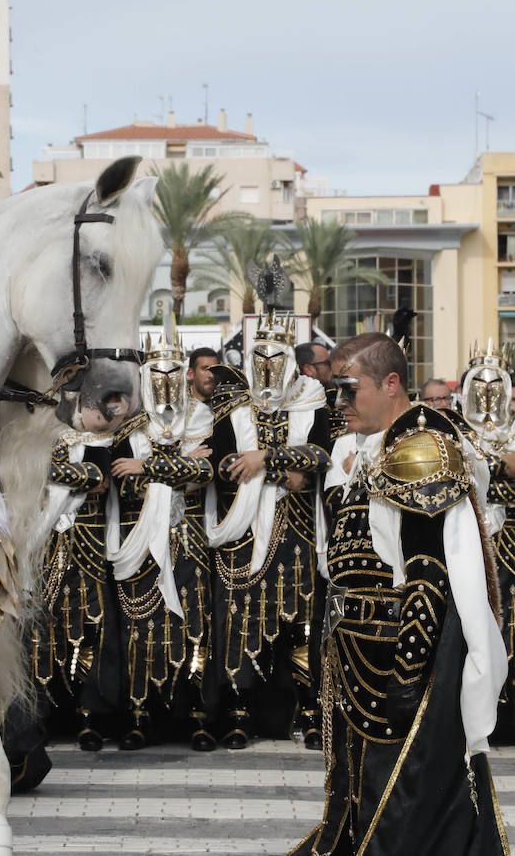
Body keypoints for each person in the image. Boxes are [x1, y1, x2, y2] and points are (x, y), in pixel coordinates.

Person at [291, 333, 509, 855]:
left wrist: (407, 673)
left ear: (391, 384)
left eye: (350, 390)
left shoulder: (420, 445)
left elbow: (429, 569)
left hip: (396, 655)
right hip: (358, 649)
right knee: (360, 796)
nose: (339, 404)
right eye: (335, 391)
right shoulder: (379, 442)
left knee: (406, 802)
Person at [206, 311, 331, 749]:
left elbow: (321, 456)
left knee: (302, 624)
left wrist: (263, 461)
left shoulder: (313, 398)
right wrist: (280, 466)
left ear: (290, 362)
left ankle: (311, 712)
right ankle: (240, 714)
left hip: (297, 531)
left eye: (275, 357)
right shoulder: (231, 404)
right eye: (258, 357)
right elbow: (221, 465)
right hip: (242, 531)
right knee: (240, 620)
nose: (266, 366)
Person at [107, 331, 216, 750]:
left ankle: (197, 716)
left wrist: (147, 466)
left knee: (194, 625)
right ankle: (138, 715)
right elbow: (124, 481)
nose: (165, 382)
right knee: (141, 627)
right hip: (140, 542)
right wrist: (181, 465)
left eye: (174, 373)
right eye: (158, 373)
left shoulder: (202, 418)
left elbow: (205, 475)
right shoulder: (129, 424)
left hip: (189, 540)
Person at [457, 341, 515, 755]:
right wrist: (502, 468)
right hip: (467, 539)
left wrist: (485, 476)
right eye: (480, 384)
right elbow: (459, 480)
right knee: (468, 629)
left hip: (513, 542)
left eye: (497, 385)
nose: (489, 393)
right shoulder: (453, 427)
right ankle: (468, 719)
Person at [32, 428, 123, 751]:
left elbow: (101, 480)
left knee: (92, 628)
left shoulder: (97, 436)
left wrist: (49, 477)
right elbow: (21, 472)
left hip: (87, 548)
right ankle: (37, 718)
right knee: (39, 632)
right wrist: (76, 476)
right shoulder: (33, 432)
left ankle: (89, 718)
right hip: (41, 542)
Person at [297, 340, 346, 441]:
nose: (332, 367)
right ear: (309, 369)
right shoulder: (299, 407)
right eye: (328, 363)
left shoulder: (335, 395)